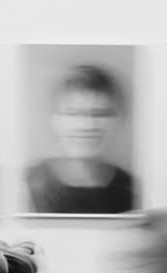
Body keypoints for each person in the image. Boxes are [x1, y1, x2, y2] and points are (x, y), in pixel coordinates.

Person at [26, 64, 136, 214]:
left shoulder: (132, 191)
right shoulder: (27, 185)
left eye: (100, 114)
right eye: (73, 113)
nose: (87, 125)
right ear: (54, 120)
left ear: (119, 120)